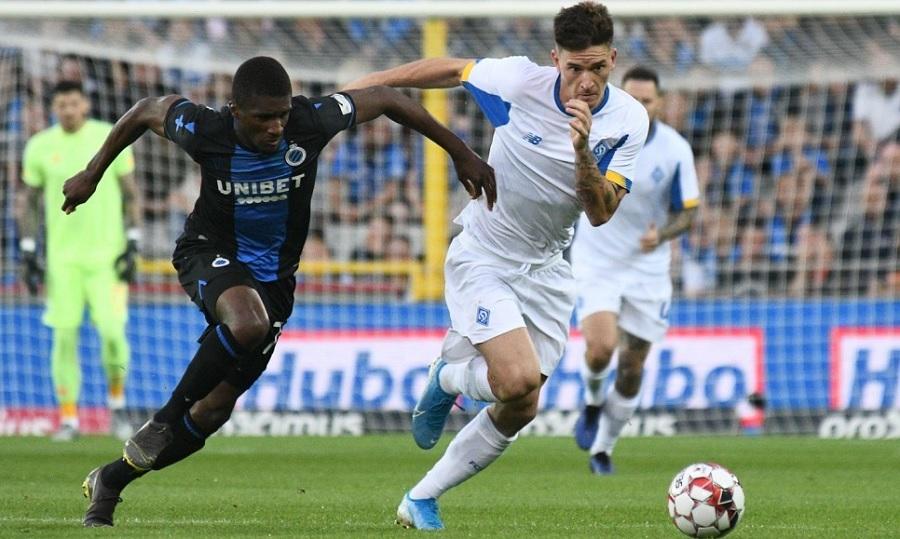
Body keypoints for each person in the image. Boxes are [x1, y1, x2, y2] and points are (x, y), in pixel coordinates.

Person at [62, 56, 494, 528]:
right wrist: (92, 173)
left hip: (275, 283)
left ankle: (111, 480)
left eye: (282, 115)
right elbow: (146, 110)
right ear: (235, 111)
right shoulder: (206, 129)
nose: (276, 127)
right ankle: (163, 419)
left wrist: (460, 152)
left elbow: (388, 98)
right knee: (248, 322)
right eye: (264, 118)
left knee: (212, 411)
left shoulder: (310, 121)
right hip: (208, 251)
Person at [345, 1, 647, 529]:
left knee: (523, 405)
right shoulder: (518, 83)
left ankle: (420, 497)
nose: (586, 82)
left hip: (547, 269)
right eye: (574, 68)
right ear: (555, 59)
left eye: (597, 68)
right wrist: (360, 87)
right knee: (516, 379)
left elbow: (600, 214)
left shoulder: (628, 120)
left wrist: (582, 151)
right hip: (484, 256)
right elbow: (448, 69)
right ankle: (449, 378)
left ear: (613, 60)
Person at [570, 66, 700, 474]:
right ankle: (593, 403)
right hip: (597, 258)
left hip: (647, 267)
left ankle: (602, 450)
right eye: (634, 99)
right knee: (601, 348)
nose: (640, 106)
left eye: (647, 100)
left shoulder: (676, 150)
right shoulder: (597, 134)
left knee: (632, 367)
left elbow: (688, 212)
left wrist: (661, 235)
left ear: (660, 103)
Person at [18, 81, 142, 442]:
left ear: (85, 104)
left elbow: (131, 194)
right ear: (53, 109)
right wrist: (28, 249)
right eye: (61, 104)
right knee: (64, 337)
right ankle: (69, 418)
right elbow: (29, 200)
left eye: (73, 103)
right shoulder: (39, 146)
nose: (68, 110)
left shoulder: (108, 137)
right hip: (62, 262)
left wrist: (132, 243)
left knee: (113, 334)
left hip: (108, 259)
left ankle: (117, 407)